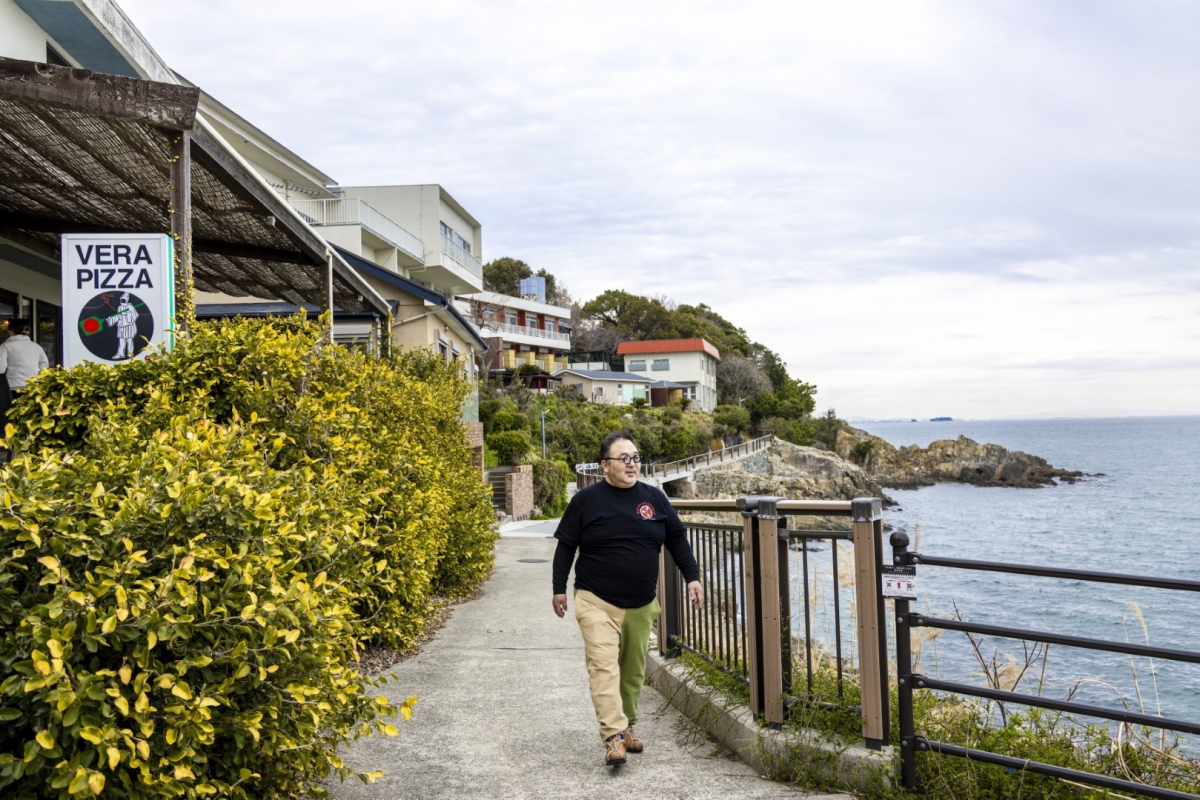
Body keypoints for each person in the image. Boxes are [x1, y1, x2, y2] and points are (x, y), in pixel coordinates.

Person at [552, 431, 704, 766]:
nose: (632, 464)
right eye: (624, 458)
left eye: (635, 457)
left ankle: (627, 725)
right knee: (602, 667)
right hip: (595, 599)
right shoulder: (586, 500)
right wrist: (559, 587)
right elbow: (566, 545)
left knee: (632, 671)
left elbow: (677, 539)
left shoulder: (655, 498)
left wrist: (692, 577)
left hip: (640, 603)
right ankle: (613, 737)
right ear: (605, 465)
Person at [0, 319, 49, 398]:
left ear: (11, 331)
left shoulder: (5, 347)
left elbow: (1, 369)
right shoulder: (36, 347)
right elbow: (44, 366)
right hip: (33, 386)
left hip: (12, 387)